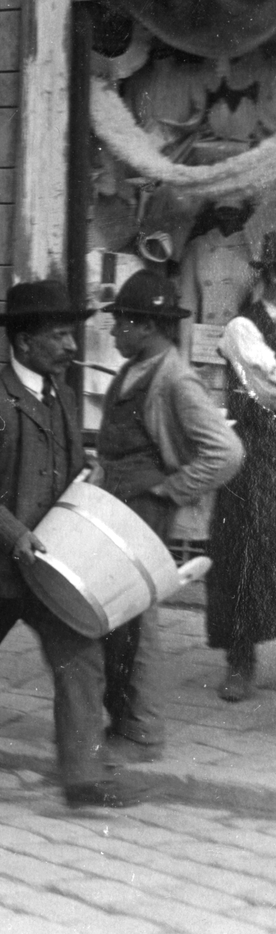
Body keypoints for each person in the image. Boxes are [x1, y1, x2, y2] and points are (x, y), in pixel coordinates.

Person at [0, 280, 148, 809]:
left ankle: (81, 776)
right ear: (25, 342)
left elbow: (65, 472)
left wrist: (87, 474)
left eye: (71, 335)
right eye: (60, 336)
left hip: (52, 568)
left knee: (81, 658)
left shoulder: (64, 398)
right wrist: (15, 534)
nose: (73, 347)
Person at [93, 271, 242, 755]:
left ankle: (143, 731)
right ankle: (123, 723)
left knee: (136, 621)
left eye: (120, 324)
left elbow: (226, 452)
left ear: (145, 326)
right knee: (113, 619)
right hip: (117, 506)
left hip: (145, 512)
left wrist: (173, 488)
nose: (114, 333)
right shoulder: (135, 367)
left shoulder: (175, 379)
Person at [209, 232, 276, 701]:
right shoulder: (242, 329)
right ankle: (240, 659)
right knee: (244, 549)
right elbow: (269, 385)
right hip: (254, 455)